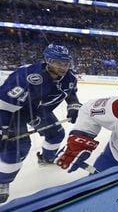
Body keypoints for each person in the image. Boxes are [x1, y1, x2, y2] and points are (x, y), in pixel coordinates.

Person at [0, 44, 81, 203]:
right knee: (18, 147)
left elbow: (71, 93)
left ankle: (46, 157)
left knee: (56, 134)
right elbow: (3, 105)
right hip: (13, 112)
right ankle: (2, 182)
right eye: (59, 63)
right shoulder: (26, 77)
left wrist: (74, 106)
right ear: (48, 61)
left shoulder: (69, 77)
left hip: (39, 111)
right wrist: (2, 129)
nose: (64, 67)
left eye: (66, 63)